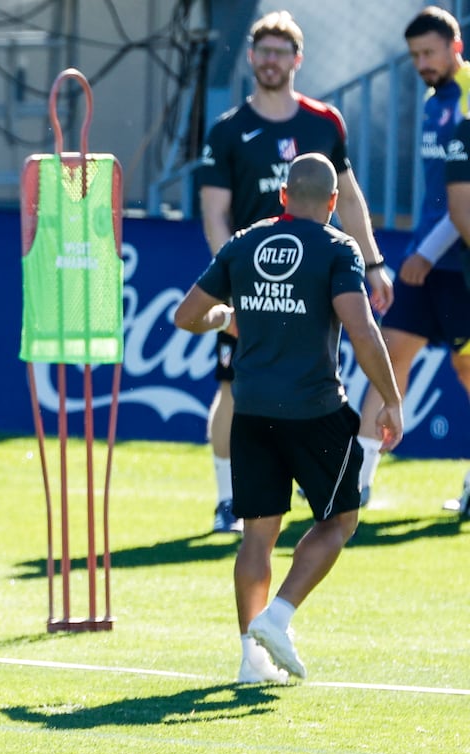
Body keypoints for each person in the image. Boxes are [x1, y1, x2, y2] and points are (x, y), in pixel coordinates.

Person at [174, 153, 403, 683]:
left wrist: (227, 316)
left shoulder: (245, 241)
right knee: (340, 520)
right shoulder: (338, 247)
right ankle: (277, 616)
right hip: (315, 410)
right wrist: (390, 398)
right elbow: (363, 330)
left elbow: (187, 317)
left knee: (257, 537)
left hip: (250, 410)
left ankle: (250, 662)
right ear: (331, 202)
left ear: (282, 197)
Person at [196, 10, 391, 534]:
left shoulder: (324, 122)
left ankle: (313, 478)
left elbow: (347, 198)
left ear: (297, 60)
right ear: (252, 58)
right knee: (234, 387)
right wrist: (231, 287)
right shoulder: (229, 130)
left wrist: (372, 264)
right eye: (262, 51)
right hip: (256, 283)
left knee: (321, 377)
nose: (270, 60)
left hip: (318, 277)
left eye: (281, 52)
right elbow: (215, 212)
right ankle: (225, 498)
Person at [359, 6, 470, 517]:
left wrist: (428, 251)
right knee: (388, 357)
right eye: (414, 56)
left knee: (467, 369)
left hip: (456, 262)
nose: (421, 63)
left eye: (429, 53)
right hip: (424, 258)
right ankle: (355, 480)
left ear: (456, 46)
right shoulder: (433, 102)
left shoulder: (468, 99)